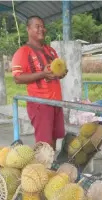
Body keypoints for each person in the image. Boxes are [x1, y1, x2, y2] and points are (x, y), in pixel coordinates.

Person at [11, 16, 67, 150]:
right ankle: (42, 168)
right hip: (40, 104)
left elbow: (55, 71)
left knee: (54, 137)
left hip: (56, 101)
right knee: (44, 142)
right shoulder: (22, 52)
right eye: (37, 26)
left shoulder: (51, 50)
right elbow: (17, 78)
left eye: (43, 26)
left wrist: (62, 72)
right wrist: (42, 74)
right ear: (28, 29)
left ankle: (50, 165)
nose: (41, 29)